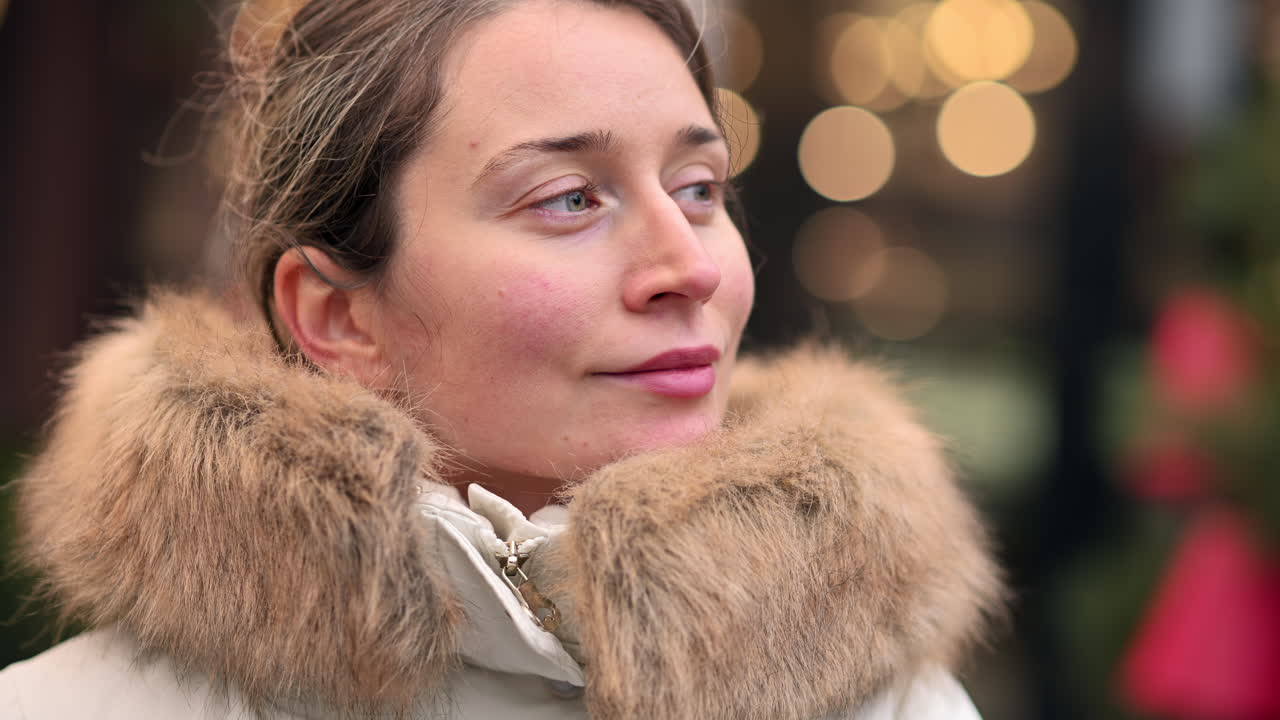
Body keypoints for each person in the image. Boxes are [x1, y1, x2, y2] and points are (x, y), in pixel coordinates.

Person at [0, 0, 1002, 717]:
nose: (688, 266)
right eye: (568, 198)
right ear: (338, 319)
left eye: (698, 187)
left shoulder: (891, 702)